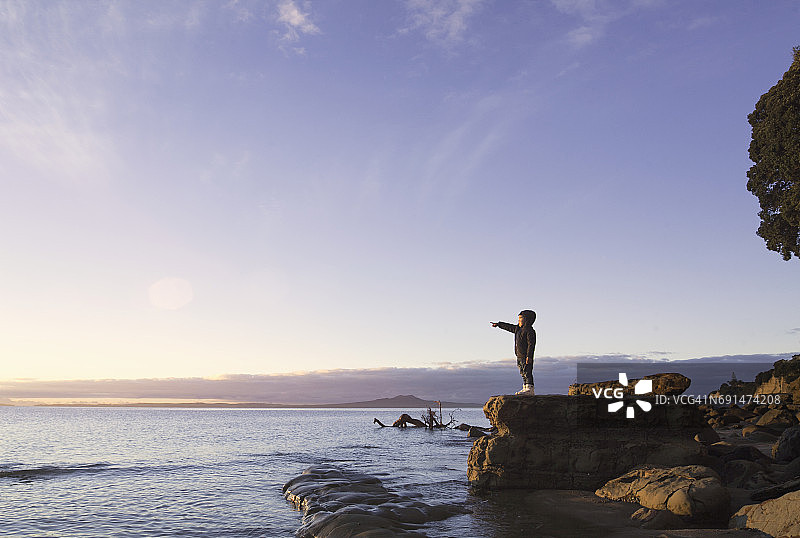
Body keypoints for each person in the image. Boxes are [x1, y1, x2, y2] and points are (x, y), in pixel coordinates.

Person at [491, 310, 537, 394]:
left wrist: (529, 356)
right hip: (519, 355)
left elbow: (531, 345)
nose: (519, 320)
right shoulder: (518, 329)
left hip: (526, 356)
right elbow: (509, 327)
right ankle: (525, 387)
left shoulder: (529, 331)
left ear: (527, 320)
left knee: (527, 372)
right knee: (522, 372)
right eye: (518, 318)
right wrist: (499, 324)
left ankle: (530, 389)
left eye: (521, 318)